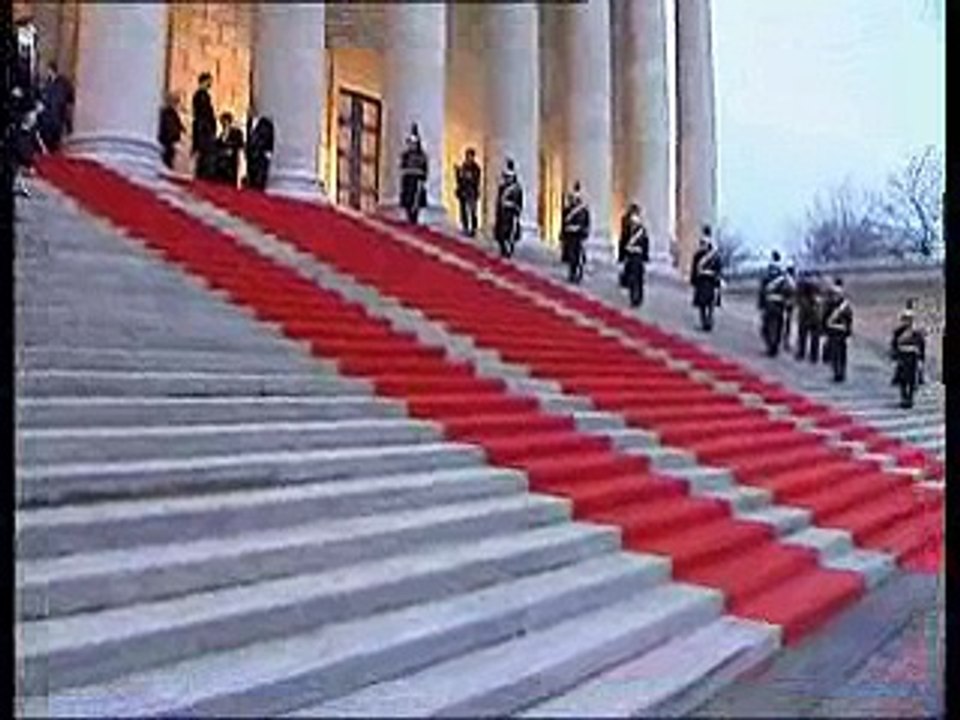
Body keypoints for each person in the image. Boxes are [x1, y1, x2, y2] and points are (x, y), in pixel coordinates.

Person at [890, 307, 925, 409]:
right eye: (905, 319)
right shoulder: (898, 332)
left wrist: (921, 360)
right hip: (902, 358)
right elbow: (894, 344)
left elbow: (921, 347)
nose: (907, 321)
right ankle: (903, 397)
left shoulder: (916, 333)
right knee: (902, 380)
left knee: (911, 380)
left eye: (908, 319)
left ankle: (909, 399)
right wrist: (895, 355)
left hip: (912, 358)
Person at [757, 251, 790, 356]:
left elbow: (762, 290)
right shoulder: (784, 276)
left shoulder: (767, 274)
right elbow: (789, 290)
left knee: (765, 328)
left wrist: (760, 304)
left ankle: (770, 346)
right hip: (780, 304)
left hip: (769, 304)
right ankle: (775, 345)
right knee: (779, 327)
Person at [36, 61, 74, 153]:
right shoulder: (47, 85)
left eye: (47, 70)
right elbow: (43, 100)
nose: (46, 73)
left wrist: (68, 124)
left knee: (56, 141)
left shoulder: (63, 83)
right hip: (47, 119)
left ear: (51, 70)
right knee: (47, 142)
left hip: (57, 117)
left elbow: (70, 99)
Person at [690, 226, 722, 331]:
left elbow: (695, 266)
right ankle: (709, 319)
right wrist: (718, 280)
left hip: (702, 280)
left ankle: (705, 321)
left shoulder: (699, 254)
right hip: (711, 280)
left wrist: (693, 280)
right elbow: (718, 267)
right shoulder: (714, 253)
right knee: (710, 302)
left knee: (703, 303)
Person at [618, 203, 650, 307]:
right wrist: (622, 256)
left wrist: (645, 257)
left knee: (638, 279)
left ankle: (638, 297)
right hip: (631, 256)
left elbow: (645, 244)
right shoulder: (628, 231)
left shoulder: (642, 231)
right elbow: (623, 242)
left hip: (637, 257)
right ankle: (633, 297)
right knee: (632, 279)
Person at [823, 277, 853, 382]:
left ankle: (837, 372)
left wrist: (824, 329)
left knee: (835, 353)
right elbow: (849, 317)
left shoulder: (829, 300)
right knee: (842, 353)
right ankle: (842, 372)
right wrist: (849, 330)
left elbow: (825, 315)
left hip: (833, 330)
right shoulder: (845, 302)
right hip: (842, 331)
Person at [560, 182, 590, 284]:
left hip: (578, 234)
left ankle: (577, 272)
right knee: (573, 255)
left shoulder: (582, 210)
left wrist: (585, 232)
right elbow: (564, 222)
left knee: (578, 255)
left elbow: (586, 222)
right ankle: (573, 272)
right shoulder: (568, 210)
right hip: (572, 234)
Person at [493, 159, 523, 258]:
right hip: (503, 212)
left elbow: (519, 201)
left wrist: (517, 212)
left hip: (511, 213)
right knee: (501, 232)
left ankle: (509, 249)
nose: (507, 179)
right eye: (506, 177)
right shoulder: (502, 187)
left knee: (510, 233)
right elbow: (499, 200)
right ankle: (503, 248)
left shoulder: (516, 188)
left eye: (508, 177)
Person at [399, 124, 428, 224]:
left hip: (417, 181)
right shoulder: (405, 155)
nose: (412, 145)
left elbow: (424, 170)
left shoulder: (422, 155)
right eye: (410, 143)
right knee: (408, 202)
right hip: (408, 181)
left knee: (416, 204)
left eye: (414, 144)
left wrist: (423, 180)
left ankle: (414, 218)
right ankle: (409, 217)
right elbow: (402, 167)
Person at [191, 72, 217, 180]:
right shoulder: (201, 95)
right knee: (205, 156)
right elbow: (204, 114)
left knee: (205, 156)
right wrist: (210, 127)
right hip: (204, 129)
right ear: (204, 81)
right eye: (209, 81)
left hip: (204, 128)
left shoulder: (203, 95)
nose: (210, 84)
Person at [794, 270, 823, 363]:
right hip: (815, 314)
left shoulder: (801, 286)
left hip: (805, 313)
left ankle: (801, 353)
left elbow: (797, 299)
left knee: (803, 335)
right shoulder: (819, 285)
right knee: (814, 336)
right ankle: (813, 356)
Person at [244, 106, 274, 191]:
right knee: (252, 181)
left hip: (260, 158)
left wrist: (266, 154)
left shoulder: (265, 123)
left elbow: (269, 138)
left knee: (259, 182)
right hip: (251, 158)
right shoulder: (249, 123)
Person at [454, 148, 481, 237]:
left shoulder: (476, 168)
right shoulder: (464, 166)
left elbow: (475, 180)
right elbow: (460, 180)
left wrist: (466, 177)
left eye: (471, 156)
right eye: (468, 156)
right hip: (463, 191)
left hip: (472, 192)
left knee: (473, 211)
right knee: (463, 210)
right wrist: (457, 173)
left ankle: (473, 228)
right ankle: (465, 226)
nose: (469, 158)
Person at [214, 112, 244, 187]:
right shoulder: (221, 134)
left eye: (225, 122)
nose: (223, 124)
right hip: (221, 163)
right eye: (222, 122)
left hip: (231, 163)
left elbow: (240, 144)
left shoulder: (237, 132)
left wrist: (231, 148)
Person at [158, 92, 185, 170]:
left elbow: (178, 124)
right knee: (167, 158)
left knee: (169, 157)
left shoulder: (170, 112)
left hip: (168, 140)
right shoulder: (167, 112)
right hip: (166, 140)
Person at [782, 264, 797, 351]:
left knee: (787, 324)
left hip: (786, 304)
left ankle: (786, 342)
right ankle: (787, 343)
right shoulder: (790, 280)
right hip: (789, 304)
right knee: (788, 324)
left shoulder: (785, 279)